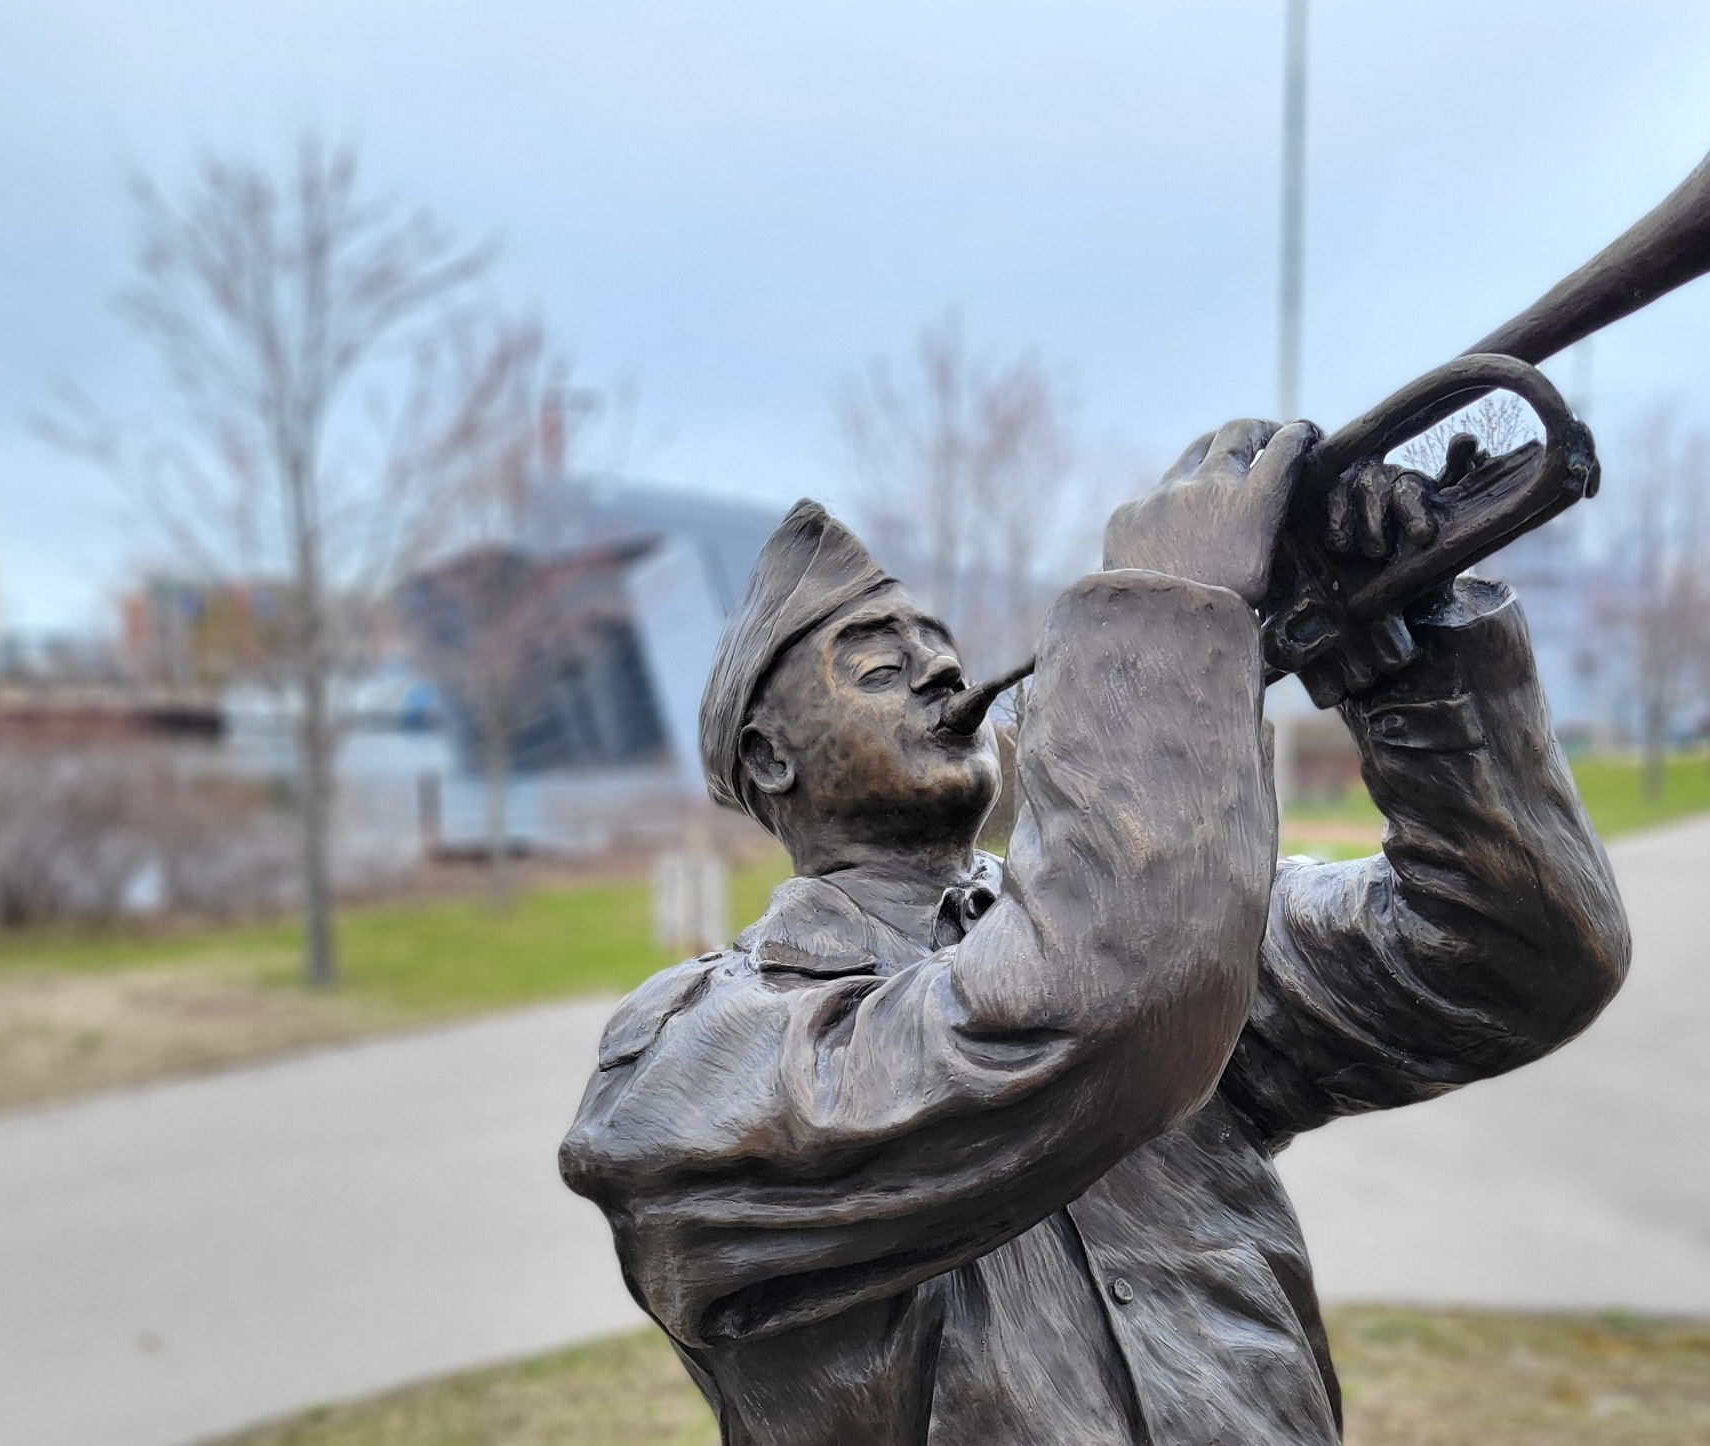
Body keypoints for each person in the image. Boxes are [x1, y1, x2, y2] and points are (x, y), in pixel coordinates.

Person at [559, 418, 1629, 1445]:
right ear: (770, 759)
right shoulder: (680, 1074)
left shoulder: (1183, 930)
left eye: (938, 650)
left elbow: (1514, 957)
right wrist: (1159, 619)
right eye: (879, 667)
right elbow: (1091, 1012)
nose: (939, 671)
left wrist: (1404, 657)